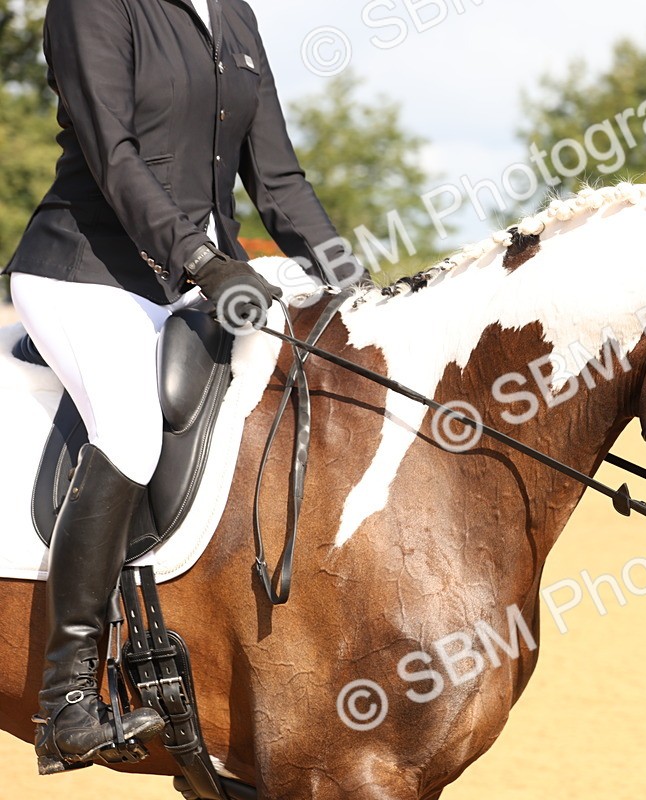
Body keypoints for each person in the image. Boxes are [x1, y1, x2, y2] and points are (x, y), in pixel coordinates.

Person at [2, 0, 352, 774]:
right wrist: (201, 260)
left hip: (192, 278)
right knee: (128, 425)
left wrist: (355, 285)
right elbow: (111, 150)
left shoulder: (232, 13)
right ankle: (66, 700)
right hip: (85, 271)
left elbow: (279, 178)